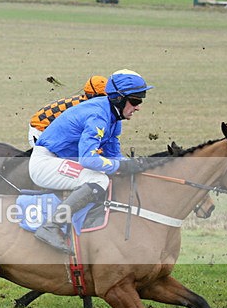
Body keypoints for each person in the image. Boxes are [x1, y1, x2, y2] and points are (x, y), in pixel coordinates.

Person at [28, 69, 153, 252]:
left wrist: (135, 165)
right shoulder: (98, 116)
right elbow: (88, 159)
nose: (138, 107)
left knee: (109, 174)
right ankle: (51, 226)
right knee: (99, 179)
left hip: (60, 160)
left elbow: (113, 156)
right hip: (45, 162)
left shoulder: (114, 118)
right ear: (118, 99)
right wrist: (121, 165)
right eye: (135, 101)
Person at [27, 75, 108, 147]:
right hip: (40, 130)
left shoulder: (85, 102)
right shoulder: (85, 108)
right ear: (94, 95)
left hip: (45, 127)